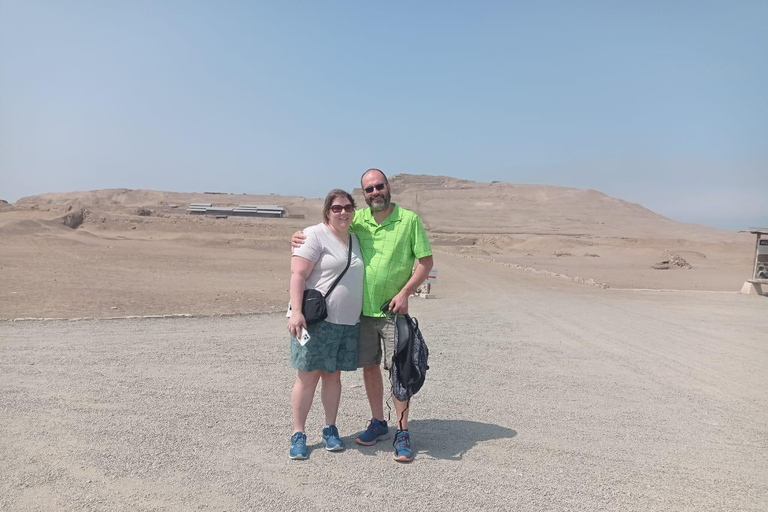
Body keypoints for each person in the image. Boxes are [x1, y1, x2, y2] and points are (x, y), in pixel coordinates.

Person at [293, 169, 433, 462]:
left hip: (392, 312)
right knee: (369, 368)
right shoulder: (359, 221)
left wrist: (405, 292)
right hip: (361, 315)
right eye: (368, 190)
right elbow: (326, 230)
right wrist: (297, 237)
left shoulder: (408, 220)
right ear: (364, 195)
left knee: (399, 372)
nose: (374, 193)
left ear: (388, 187)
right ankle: (378, 422)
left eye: (378, 187)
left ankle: (403, 431)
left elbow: (425, 262)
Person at [287, 189, 364, 460]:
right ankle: (298, 433)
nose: (343, 212)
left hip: (346, 323)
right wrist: (296, 311)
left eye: (347, 207)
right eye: (336, 208)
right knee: (307, 377)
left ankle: (330, 428)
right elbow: (298, 273)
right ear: (327, 211)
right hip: (316, 321)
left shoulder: (355, 238)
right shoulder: (314, 235)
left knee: (333, 376)